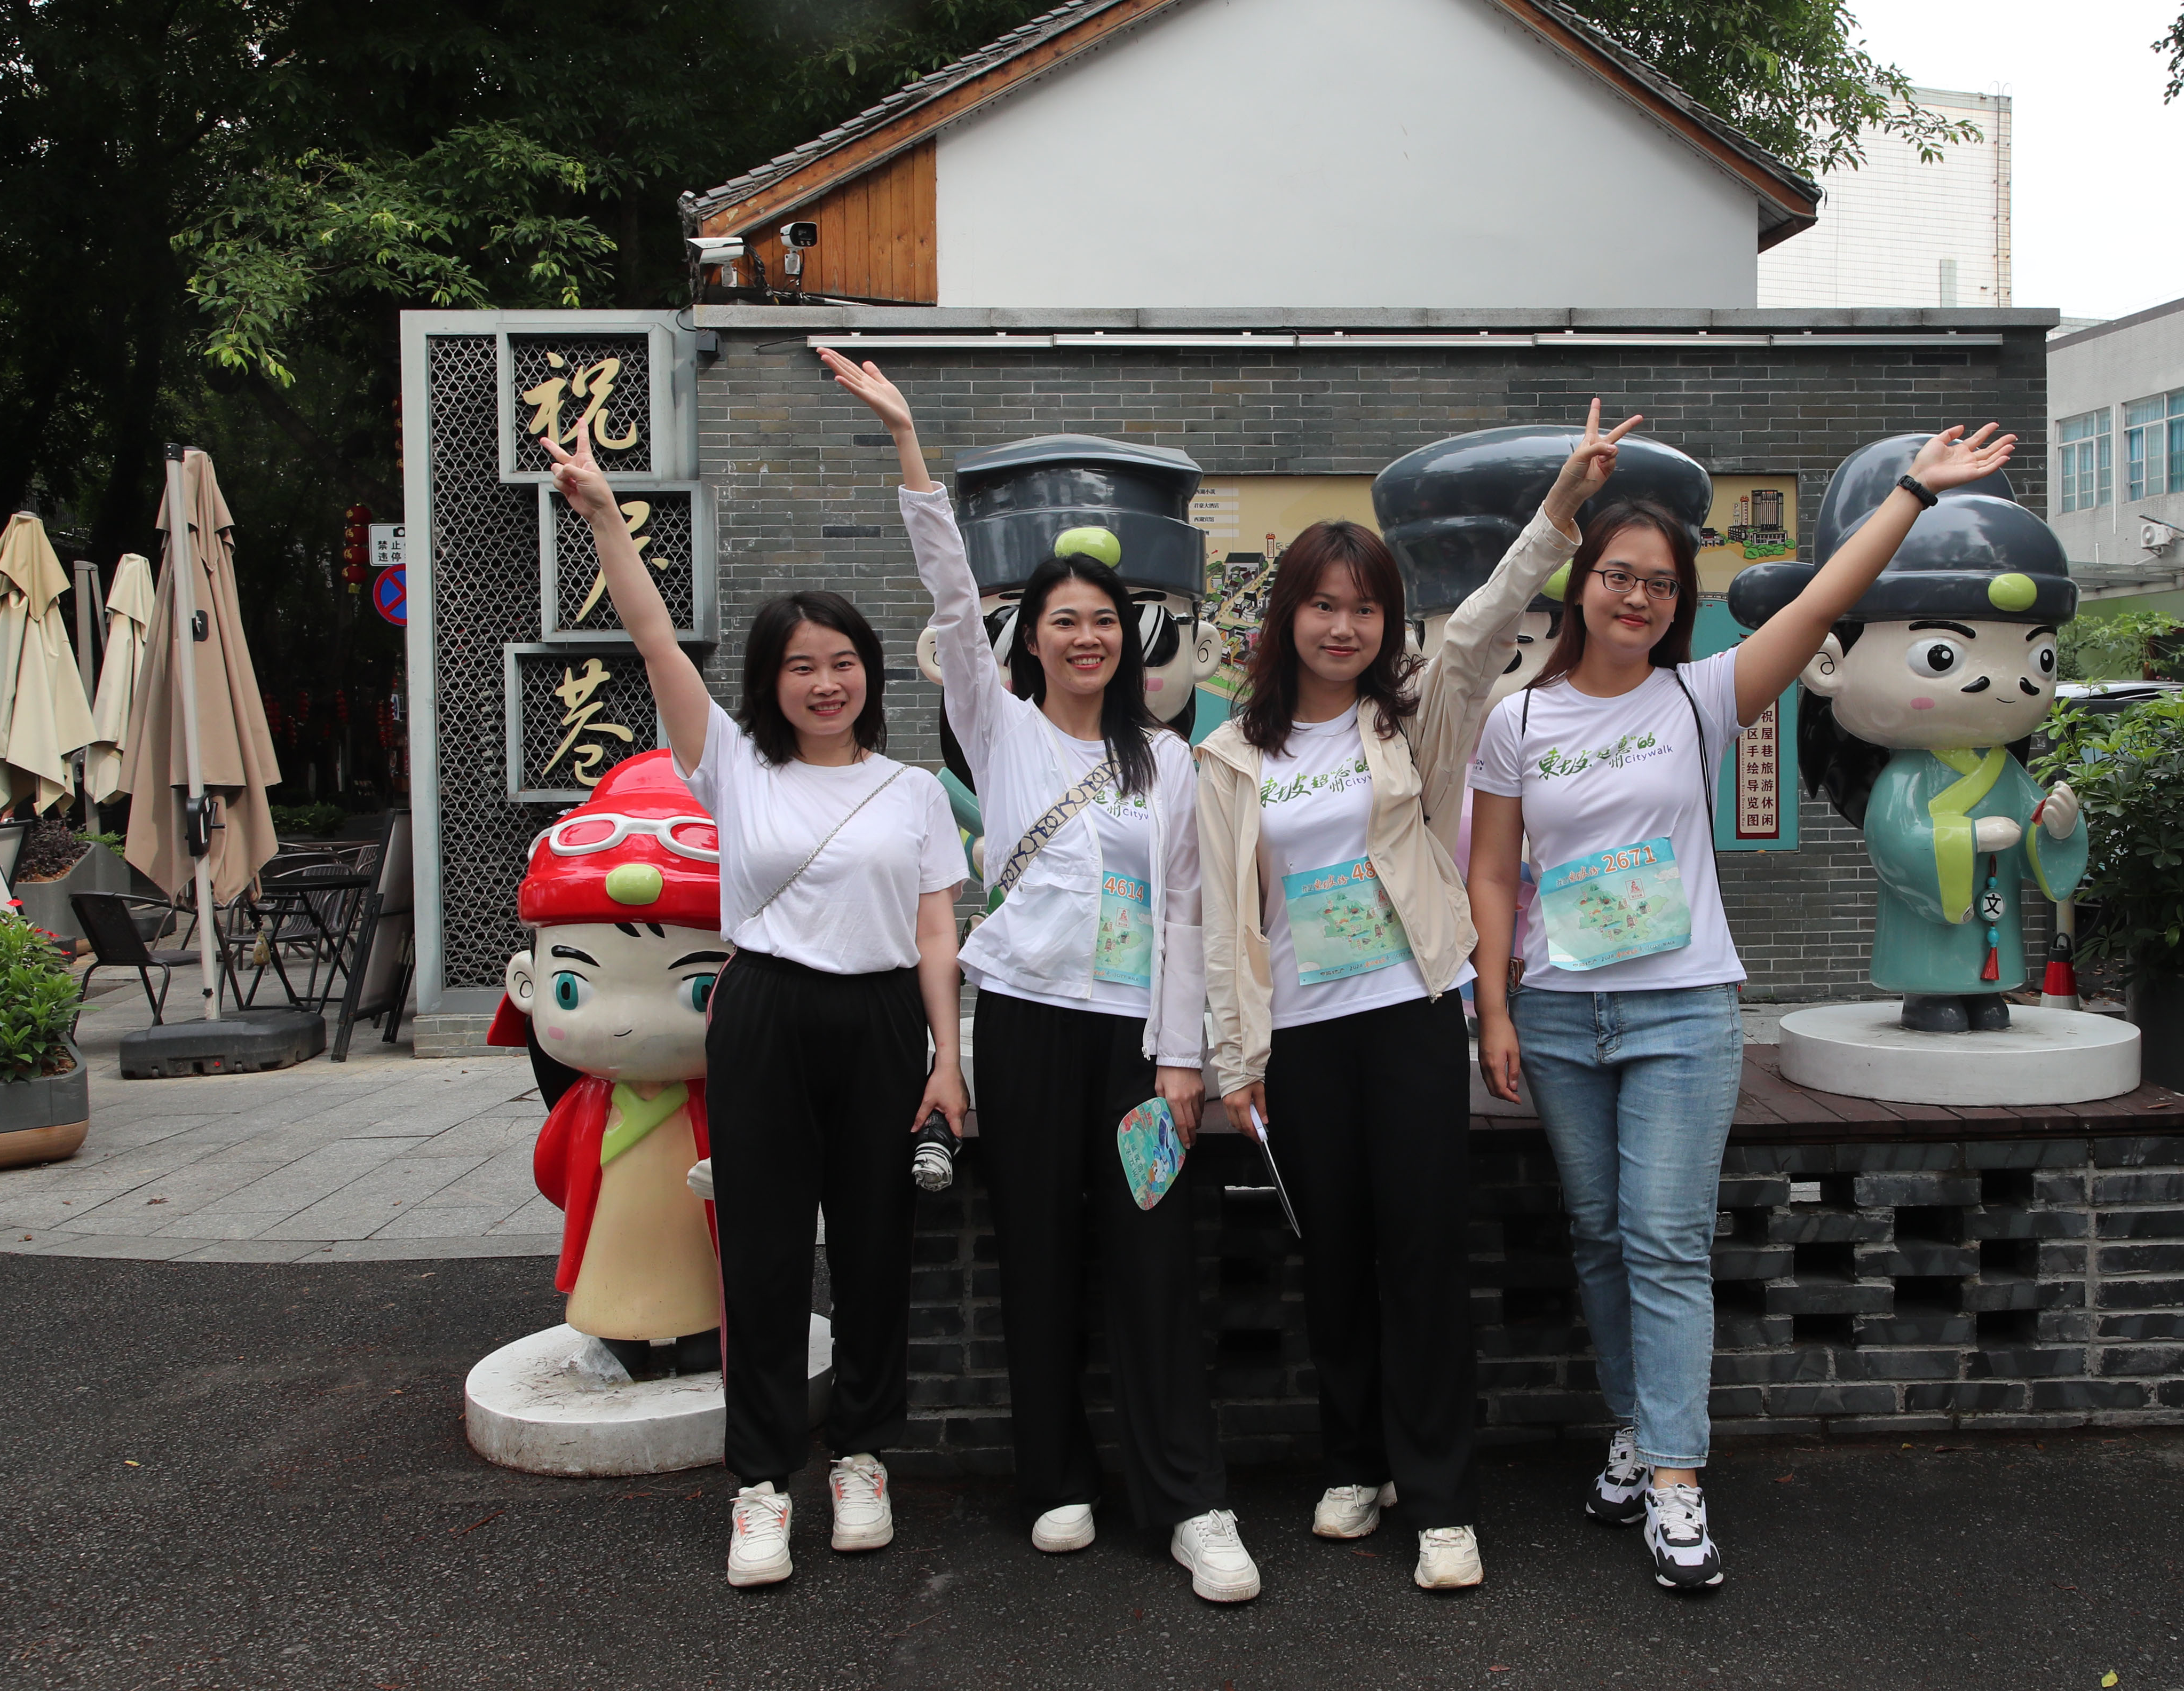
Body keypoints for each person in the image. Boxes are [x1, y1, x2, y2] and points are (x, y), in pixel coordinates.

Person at [1466, 423, 2018, 1591]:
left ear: (1682, 606)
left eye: (1663, 585)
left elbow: (1823, 602)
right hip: (1560, 1017)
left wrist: (1913, 492)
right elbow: (1494, 871)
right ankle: (1633, 1428)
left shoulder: (1703, 696)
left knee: (1665, 1243)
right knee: (1599, 1239)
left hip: (1681, 1015)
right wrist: (1497, 1010)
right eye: (1620, 576)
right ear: (1581, 585)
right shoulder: (1517, 721)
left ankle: (1676, 1478)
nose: (1638, 598)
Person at [819, 350, 1255, 1605]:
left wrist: (1182, 1060)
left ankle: (1191, 1502)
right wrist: (909, 445)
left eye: (1104, 621)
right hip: (1019, 1029)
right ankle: (1055, 1480)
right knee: (1038, 1254)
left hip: (1132, 1049)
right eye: (1063, 619)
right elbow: (951, 596)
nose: (1085, 636)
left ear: (1132, 639)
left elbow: (1186, 915)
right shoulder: (997, 729)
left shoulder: (1169, 764)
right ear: (1032, 638)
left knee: (1152, 1262)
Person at [1198, 399, 1643, 1592]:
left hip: (1404, 1016)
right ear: (1287, 617)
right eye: (1322, 604)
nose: (1343, 627)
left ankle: (1442, 1501)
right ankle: (1357, 1463)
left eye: (1365, 609)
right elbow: (1223, 922)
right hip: (1300, 1034)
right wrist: (1237, 1057)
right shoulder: (1231, 757)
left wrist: (1563, 504)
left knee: (1424, 1257)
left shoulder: (1417, 721)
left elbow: (1489, 618)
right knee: (1334, 1258)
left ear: (1387, 623)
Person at [543, 423, 969, 1591]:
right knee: (766, 1258)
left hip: (883, 1022)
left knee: (876, 1251)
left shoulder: (913, 790)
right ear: (772, 683)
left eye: (842, 662)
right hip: (767, 1014)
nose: (825, 682)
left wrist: (947, 1058)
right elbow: (651, 634)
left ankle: (863, 1459)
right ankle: (763, 1485)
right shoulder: (734, 766)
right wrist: (605, 517)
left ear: (869, 672)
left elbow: (937, 931)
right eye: (800, 666)